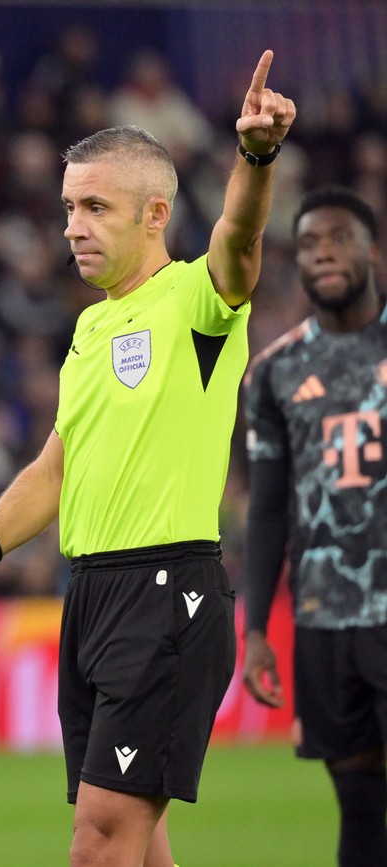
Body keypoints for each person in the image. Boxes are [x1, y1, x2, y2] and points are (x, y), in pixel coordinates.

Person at [0, 50, 295, 867]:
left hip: (166, 593)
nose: (73, 223)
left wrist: (254, 156)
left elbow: (241, 236)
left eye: (95, 207)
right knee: (140, 849)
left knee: (97, 845)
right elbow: (55, 467)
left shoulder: (196, 303)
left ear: (154, 215)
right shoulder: (89, 329)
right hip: (95, 596)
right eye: (69, 206)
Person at [241, 187, 386, 867]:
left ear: (372, 251)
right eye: (307, 244)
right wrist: (256, 631)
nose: (322, 253)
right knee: (356, 803)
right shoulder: (273, 373)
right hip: (326, 620)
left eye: (338, 238)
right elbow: (268, 508)